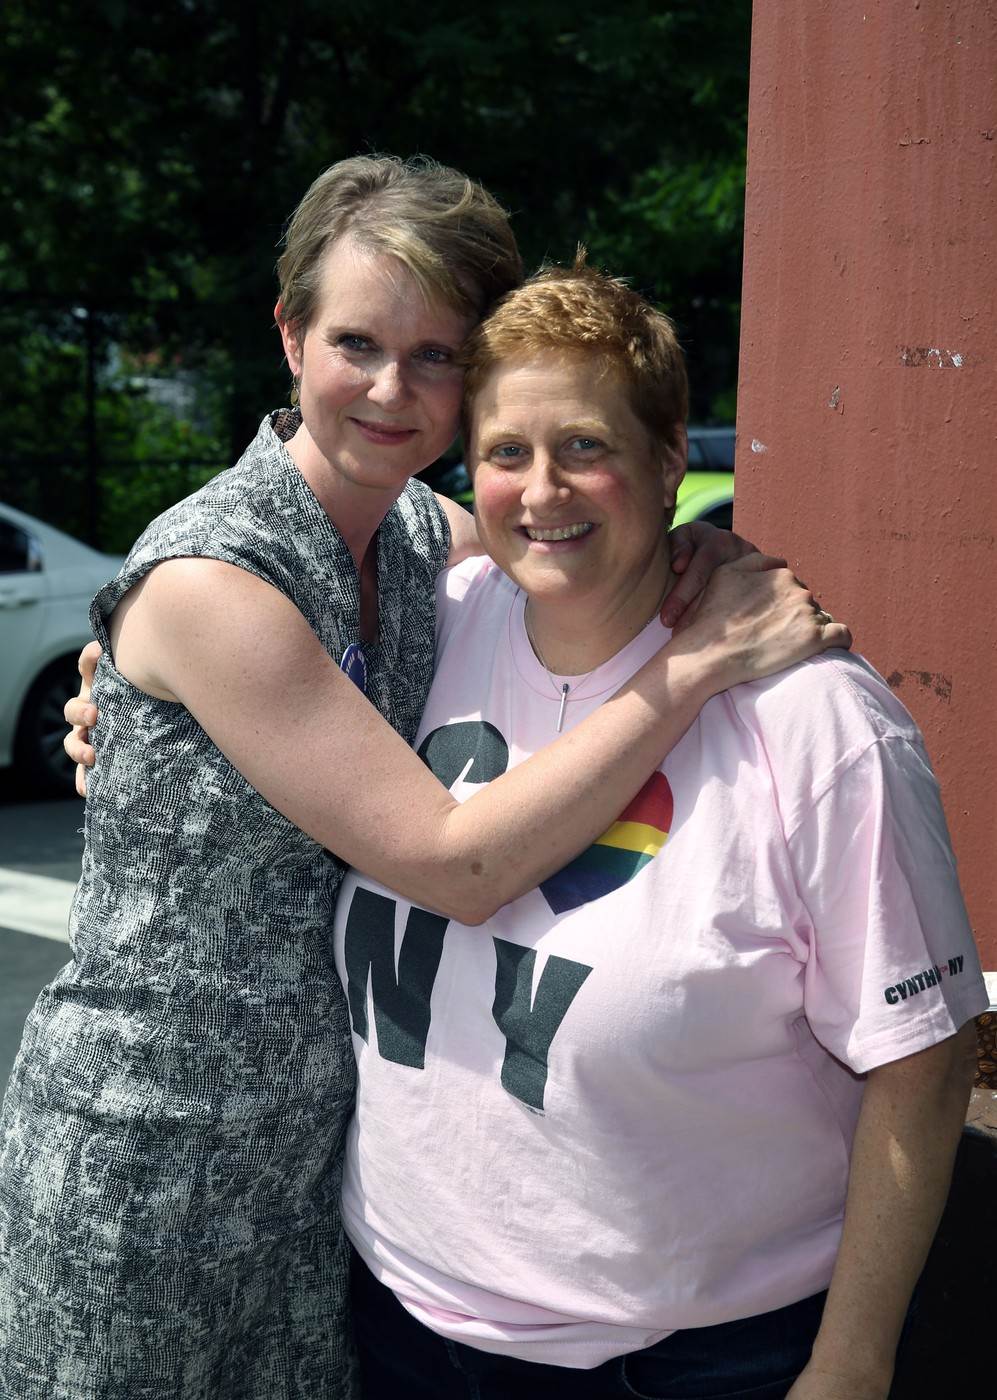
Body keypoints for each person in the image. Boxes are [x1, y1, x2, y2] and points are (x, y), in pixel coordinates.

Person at [0, 157, 842, 1400]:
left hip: (326, 1171)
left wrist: (700, 550)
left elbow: (565, 535)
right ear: (289, 337)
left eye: (439, 354)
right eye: (356, 342)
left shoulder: (417, 537)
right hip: (151, 1162)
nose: (394, 389)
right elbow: (456, 862)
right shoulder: (213, 580)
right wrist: (699, 661)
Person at [329, 258, 988, 1400]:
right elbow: (235, 689)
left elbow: (923, 1061)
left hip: (686, 1358)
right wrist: (117, 697)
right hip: (394, 1322)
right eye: (505, 453)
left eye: (585, 446)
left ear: (669, 455)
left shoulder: (817, 721)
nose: (543, 491)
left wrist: (849, 1364)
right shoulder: (417, 635)